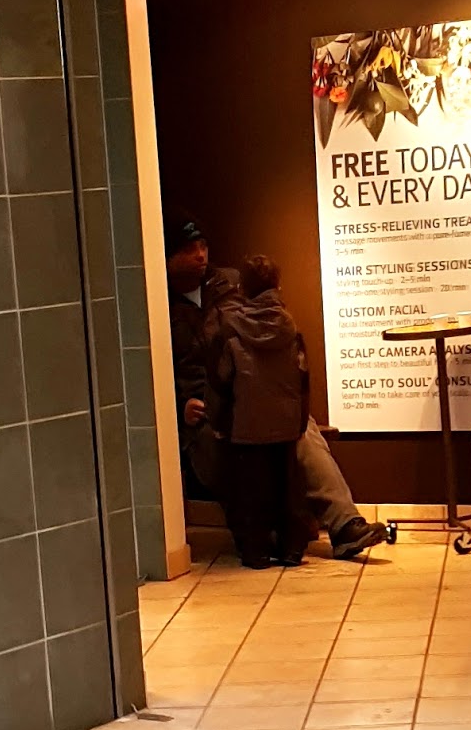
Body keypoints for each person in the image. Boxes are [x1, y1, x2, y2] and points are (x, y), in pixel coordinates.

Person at [165, 217, 387, 560]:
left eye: (203, 246)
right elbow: (149, 372)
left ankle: (345, 524)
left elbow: (272, 335)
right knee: (221, 448)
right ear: (167, 257)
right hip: (205, 413)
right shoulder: (156, 305)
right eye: (189, 249)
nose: (200, 255)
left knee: (302, 429)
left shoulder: (231, 284)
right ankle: (264, 532)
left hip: (255, 394)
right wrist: (180, 405)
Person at [213, 255, 311, 567]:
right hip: (285, 422)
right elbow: (303, 378)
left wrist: (220, 422)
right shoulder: (291, 328)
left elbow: (222, 378)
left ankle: (256, 551)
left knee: (251, 492)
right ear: (277, 286)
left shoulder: (232, 329)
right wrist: (299, 420)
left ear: (243, 288)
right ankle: (291, 548)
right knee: (288, 488)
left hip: (246, 425)